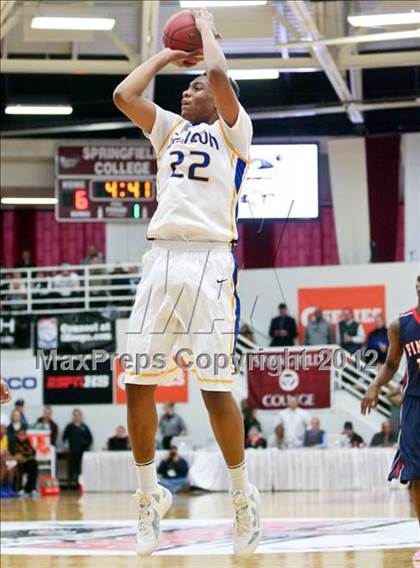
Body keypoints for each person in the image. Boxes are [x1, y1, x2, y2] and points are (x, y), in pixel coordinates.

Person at [113, 7, 260, 557]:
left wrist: (202, 32)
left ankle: (243, 497)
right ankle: (148, 496)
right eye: (187, 86)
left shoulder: (234, 131)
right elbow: (126, 96)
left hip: (209, 263)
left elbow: (221, 78)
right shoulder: (170, 131)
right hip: (161, 261)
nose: (188, 91)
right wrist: (171, 54)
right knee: (139, 383)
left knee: (215, 389)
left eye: (195, 87)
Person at [362, 275, 420, 568]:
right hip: (415, 405)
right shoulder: (401, 325)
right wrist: (374, 386)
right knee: (414, 473)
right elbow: (392, 364)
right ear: (417, 285)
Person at [62, 409, 93, 489]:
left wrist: (86, 446)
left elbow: (90, 438)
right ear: (73, 416)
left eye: (78, 415)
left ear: (80, 416)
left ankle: (81, 485)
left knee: (81, 468)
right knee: (72, 468)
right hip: (72, 451)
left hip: (83, 452)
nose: (77, 416)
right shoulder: (69, 427)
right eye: (75, 415)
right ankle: (70, 485)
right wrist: (65, 447)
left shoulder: (84, 427)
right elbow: (64, 438)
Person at [12, 429, 38, 496]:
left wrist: (27, 458)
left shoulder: (27, 442)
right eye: (20, 435)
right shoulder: (14, 442)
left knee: (34, 465)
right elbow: (16, 454)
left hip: (27, 461)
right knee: (19, 465)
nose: (22, 437)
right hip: (17, 462)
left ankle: (31, 488)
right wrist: (23, 457)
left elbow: (33, 452)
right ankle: (19, 488)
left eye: (24, 435)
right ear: (17, 435)